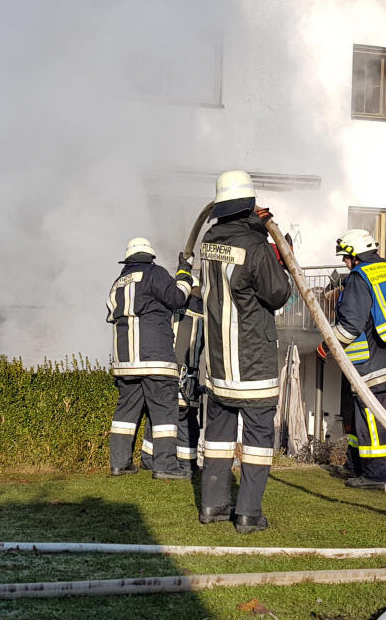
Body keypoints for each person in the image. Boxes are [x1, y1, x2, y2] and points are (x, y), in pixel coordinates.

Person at [199, 170, 291, 534]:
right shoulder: (254, 246)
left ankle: (212, 506)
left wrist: (254, 225)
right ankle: (249, 514)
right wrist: (271, 244)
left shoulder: (209, 240)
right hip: (253, 361)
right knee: (256, 441)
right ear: (250, 206)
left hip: (219, 363)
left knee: (218, 439)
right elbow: (278, 293)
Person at [317, 228, 386, 490]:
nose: (345, 263)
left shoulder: (358, 276)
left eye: (346, 257)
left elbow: (350, 326)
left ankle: (374, 476)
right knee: (359, 415)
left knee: (369, 418)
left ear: (356, 254)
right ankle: (355, 466)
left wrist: (327, 346)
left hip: (369, 362)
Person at [106, 236, 193, 479]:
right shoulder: (155, 274)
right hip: (155, 358)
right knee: (165, 411)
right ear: (150, 257)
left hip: (125, 362)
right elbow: (177, 298)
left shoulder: (117, 283)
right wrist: (185, 271)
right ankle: (165, 465)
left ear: (128, 259)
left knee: (126, 412)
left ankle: (119, 464)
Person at [140, 283, 205, 475]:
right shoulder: (202, 314)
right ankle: (187, 464)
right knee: (185, 419)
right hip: (187, 375)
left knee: (157, 416)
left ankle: (148, 458)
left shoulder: (169, 308)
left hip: (164, 370)